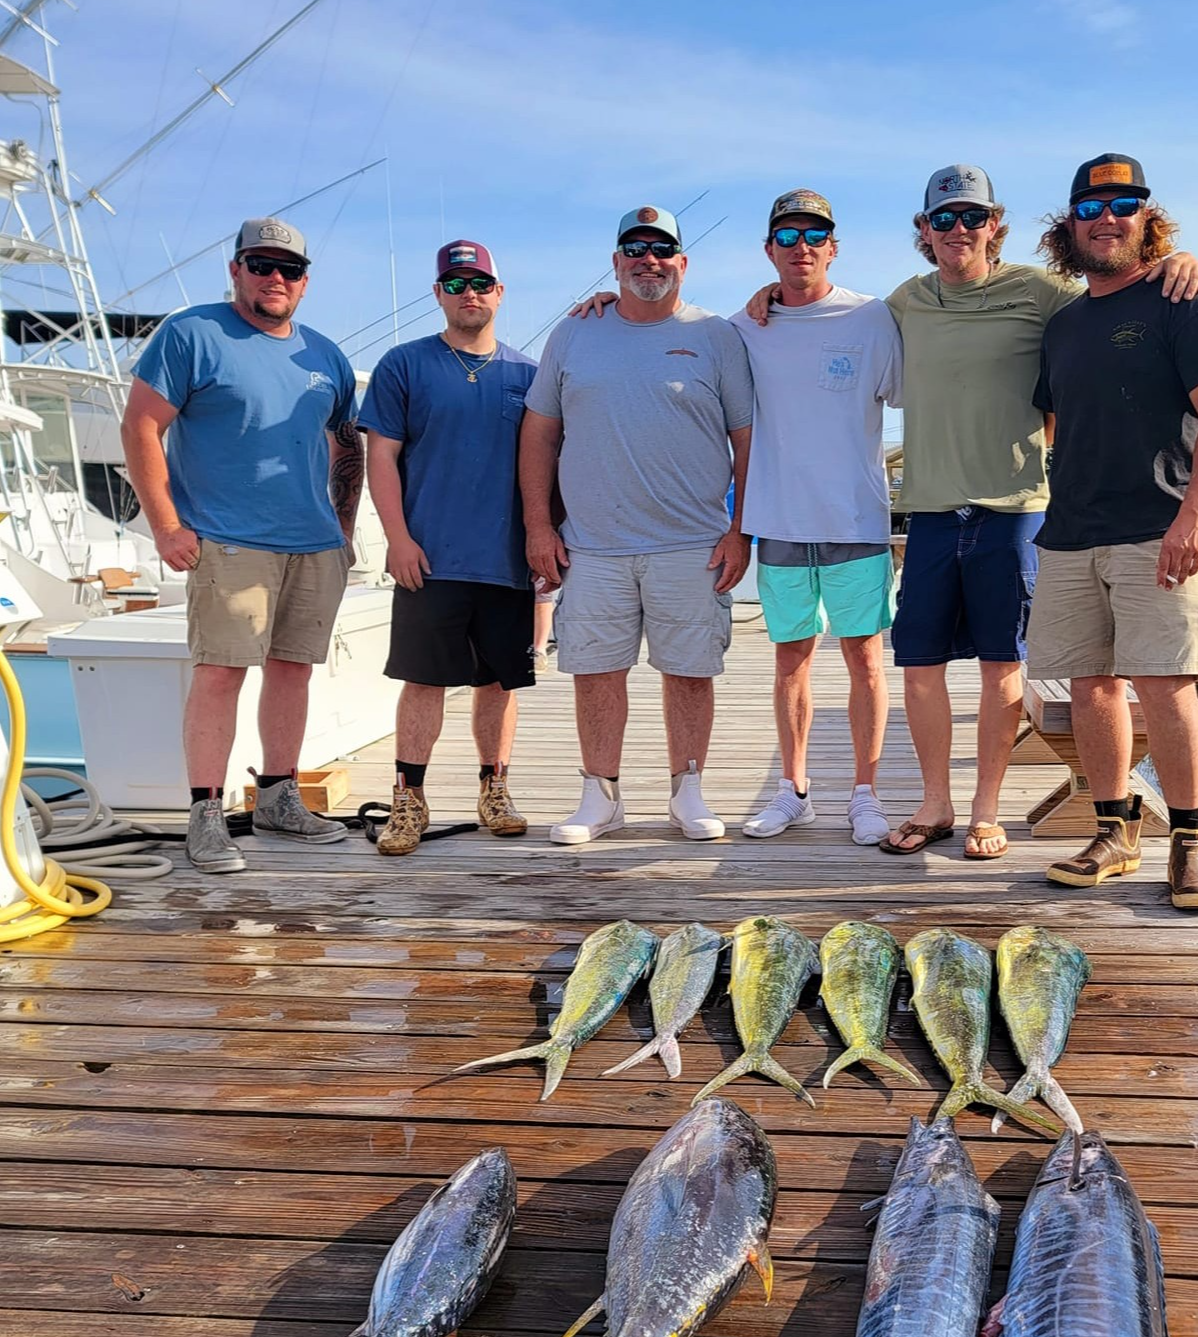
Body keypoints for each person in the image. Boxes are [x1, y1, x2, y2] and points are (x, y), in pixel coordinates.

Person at [746, 165, 1198, 861]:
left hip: (1013, 509)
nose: (957, 229)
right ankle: (936, 803)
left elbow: (1115, 290)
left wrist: (1176, 259)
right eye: (943, 219)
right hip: (930, 510)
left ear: (994, 224)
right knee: (919, 667)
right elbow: (819, 314)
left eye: (971, 217)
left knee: (1002, 665)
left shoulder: (1040, 291)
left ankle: (986, 811)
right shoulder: (901, 304)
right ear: (924, 231)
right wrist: (770, 297)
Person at [1030, 154, 1198, 911]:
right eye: (1091, 208)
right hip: (1069, 530)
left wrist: (1196, 513)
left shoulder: (1184, 298)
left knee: (1165, 681)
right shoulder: (1062, 325)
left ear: (1145, 219)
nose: (1107, 219)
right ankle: (1113, 832)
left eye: (1123, 205)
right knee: (1089, 684)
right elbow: (1056, 421)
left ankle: (1188, 845)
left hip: (1158, 524)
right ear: (1069, 225)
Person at [121, 216, 359, 874]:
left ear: (305, 282)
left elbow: (347, 443)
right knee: (221, 673)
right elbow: (141, 426)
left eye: (290, 269)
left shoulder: (326, 356)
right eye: (261, 264)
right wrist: (166, 524)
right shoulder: (191, 333)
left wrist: (344, 528)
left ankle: (278, 799)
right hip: (227, 541)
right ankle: (205, 812)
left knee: (293, 670)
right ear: (236, 270)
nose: (276, 277)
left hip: (313, 544)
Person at [520, 205, 753, 844]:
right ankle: (600, 796)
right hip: (593, 546)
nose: (649, 260)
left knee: (690, 672)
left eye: (661, 249)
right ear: (616, 262)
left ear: (682, 262)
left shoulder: (716, 335)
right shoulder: (574, 332)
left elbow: (746, 439)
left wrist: (742, 530)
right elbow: (540, 433)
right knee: (595, 671)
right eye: (635, 249)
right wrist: (538, 526)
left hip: (695, 543)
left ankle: (688, 792)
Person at [726, 190, 903, 844]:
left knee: (865, 659)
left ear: (833, 247)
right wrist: (602, 304)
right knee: (790, 660)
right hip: (778, 520)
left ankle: (865, 794)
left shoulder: (872, 317)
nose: (800, 247)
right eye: (787, 236)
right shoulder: (742, 327)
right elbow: (671, 332)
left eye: (814, 236)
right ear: (768, 250)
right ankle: (793, 790)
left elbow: (913, 391)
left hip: (856, 520)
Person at [359, 239, 539, 856]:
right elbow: (380, 456)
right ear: (438, 293)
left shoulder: (529, 375)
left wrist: (544, 541)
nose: (470, 294)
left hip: (507, 561)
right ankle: (409, 799)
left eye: (481, 283)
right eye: (457, 284)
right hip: (428, 559)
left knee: (499, 684)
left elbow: (547, 465)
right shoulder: (404, 364)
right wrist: (397, 538)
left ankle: (495, 789)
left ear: (499, 293)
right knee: (423, 681)